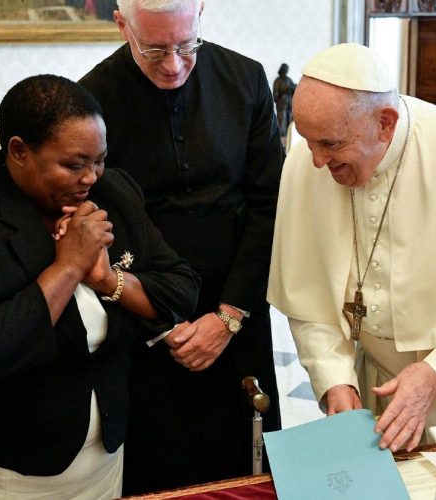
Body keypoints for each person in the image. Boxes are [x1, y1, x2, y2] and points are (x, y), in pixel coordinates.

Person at [79, 0, 284, 494]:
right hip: (144, 321)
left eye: (186, 45)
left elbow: (269, 206)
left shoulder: (246, 79)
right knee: (158, 470)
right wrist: (162, 324)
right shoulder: (91, 99)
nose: (173, 64)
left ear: (201, 14)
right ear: (122, 25)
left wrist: (229, 316)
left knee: (246, 469)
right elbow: (95, 220)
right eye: (154, 49)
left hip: (237, 306)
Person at [0, 74, 199, 499]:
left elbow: (181, 290)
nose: (91, 178)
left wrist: (105, 279)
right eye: (74, 164)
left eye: (99, 160)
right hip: (13, 469)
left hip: (106, 455)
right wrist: (69, 266)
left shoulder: (113, 190)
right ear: (19, 151)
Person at [268, 43, 436, 454]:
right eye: (308, 141)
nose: (316, 161)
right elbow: (307, 299)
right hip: (372, 391)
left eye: (331, 144)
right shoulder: (308, 160)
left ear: (385, 123)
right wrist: (335, 379)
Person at [273, 63, 296, 140]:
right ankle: (281, 137)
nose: (286, 71)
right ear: (282, 70)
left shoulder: (289, 80)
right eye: (285, 69)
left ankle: (289, 137)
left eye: (287, 70)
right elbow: (275, 95)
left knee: (290, 120)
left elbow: (293, 90)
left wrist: (294, 88)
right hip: (282, 105)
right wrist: (284, 91)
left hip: (289, 105)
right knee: (282, 120)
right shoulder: (277, 81)